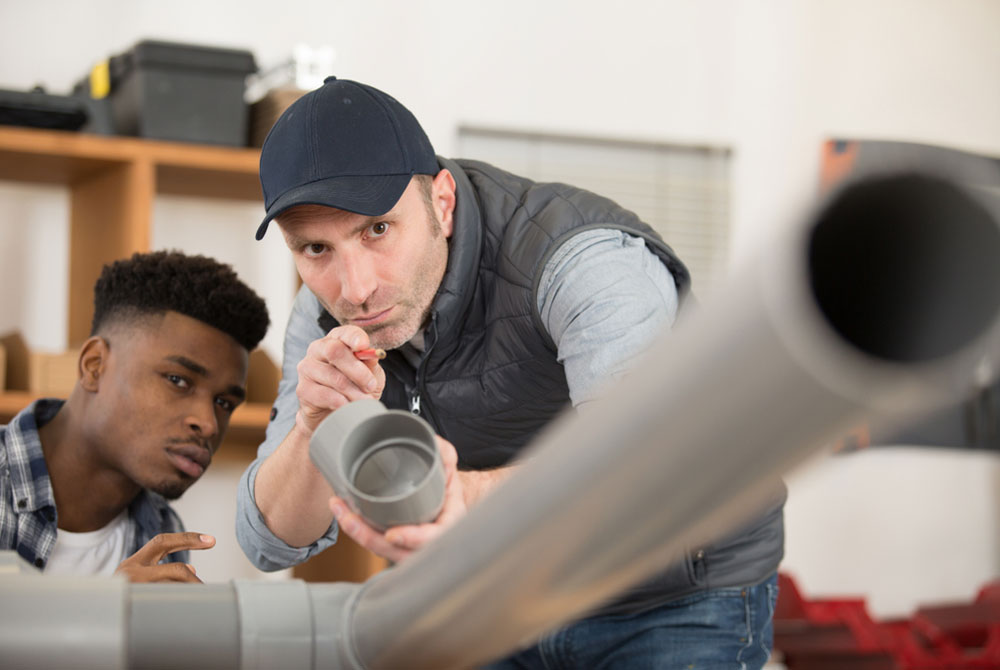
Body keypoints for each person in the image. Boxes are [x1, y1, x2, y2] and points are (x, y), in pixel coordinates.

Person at [236, 77, 784, 668]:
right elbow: (270, 542)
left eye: (377, 230)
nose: (356, 287)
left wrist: (463, 498)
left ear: (440, 204)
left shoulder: (588, 263)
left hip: (668, 588)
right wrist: (312, 429)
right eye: (315, 249)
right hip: (499, 592)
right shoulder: (321, 313)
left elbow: (637, 469)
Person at [1, 250, 269, 582]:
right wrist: (107, 610)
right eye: (178, 380)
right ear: (95, 365)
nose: (209, 423)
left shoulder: (163, 535)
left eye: (225, 403)